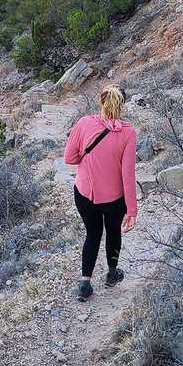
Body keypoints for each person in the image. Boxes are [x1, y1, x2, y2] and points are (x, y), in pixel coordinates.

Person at [63, 85, 138, 302]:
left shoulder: (84, 123)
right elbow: (128, 175)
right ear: (122, 105)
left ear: (101, 101)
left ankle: (85, 285)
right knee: (113, 232)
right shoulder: (128, 133)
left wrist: (88, 160)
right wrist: (131, 209)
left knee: (92, 234)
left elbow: (69, 158)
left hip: (84, 194)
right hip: (114, 199)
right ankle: (112, 274)